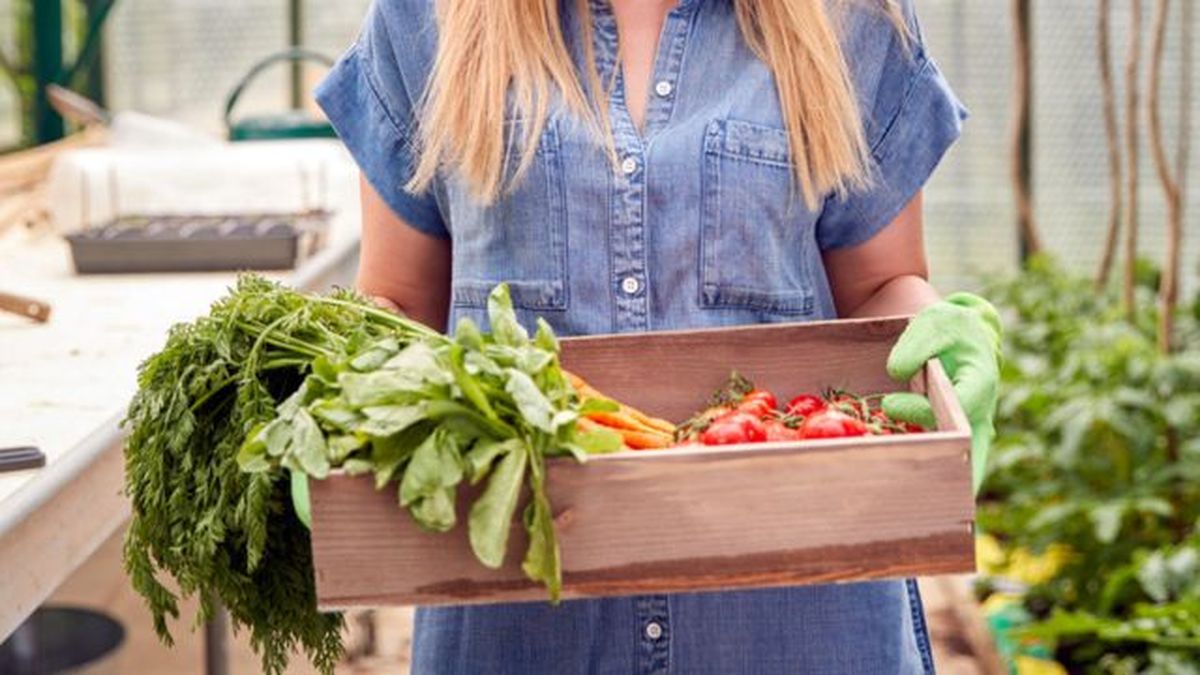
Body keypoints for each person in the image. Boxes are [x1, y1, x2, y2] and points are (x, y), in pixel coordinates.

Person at [315, 0, 1001, 672]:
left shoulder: (848, 15)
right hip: (521, 633)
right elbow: (402, 301)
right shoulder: (426, 17)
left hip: (799, 629)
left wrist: (941, 344)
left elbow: (879, 286)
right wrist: (344, 399)